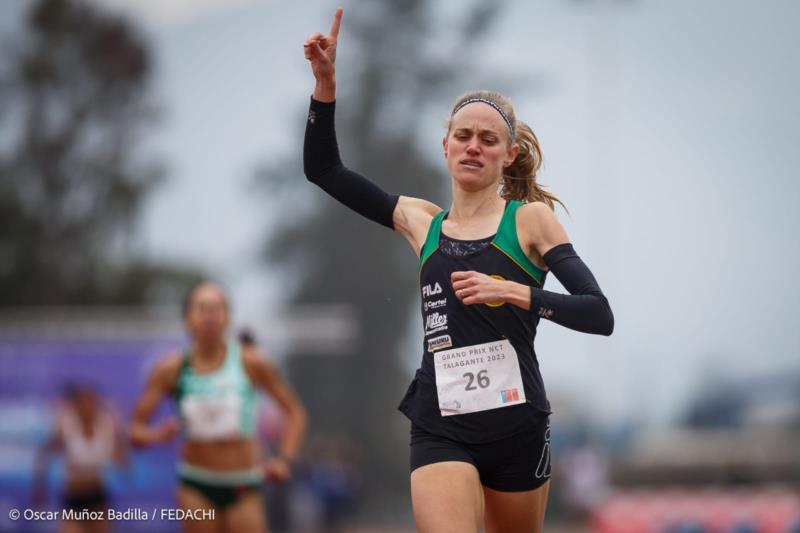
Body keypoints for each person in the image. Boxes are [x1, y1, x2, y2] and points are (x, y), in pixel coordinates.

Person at [302, 8, 614, 533]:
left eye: (488, 140)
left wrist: (514, 291)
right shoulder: (421, 222)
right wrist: (326, 86)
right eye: (463, 135)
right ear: (444, 145)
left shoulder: (531, 222)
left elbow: (599, 314)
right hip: (440, 421)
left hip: (518, 425)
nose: (473, 146)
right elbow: (324, 169)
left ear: (508, 155)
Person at [129, 281, 307, 533]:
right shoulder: (170, 370)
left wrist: (285, 460)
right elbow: (134, 430)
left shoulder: (252, 362)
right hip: (197, 484)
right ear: (186, 320)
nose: (209, 316)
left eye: (217, 309)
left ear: (228, 318)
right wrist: (156, 435)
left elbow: (294, 412)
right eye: (202, 308)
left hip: (243, 483)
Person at [34, 383, 128, 533]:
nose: (86, 406)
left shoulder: (108, 425)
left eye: (90, 401)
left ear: (97, 404)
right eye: (82, 402)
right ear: (75, 405)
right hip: (73, 495)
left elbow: (122, 463)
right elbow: (45, 453)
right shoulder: (66, 424)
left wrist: (120, 434)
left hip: (97, 495)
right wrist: (39, 487)